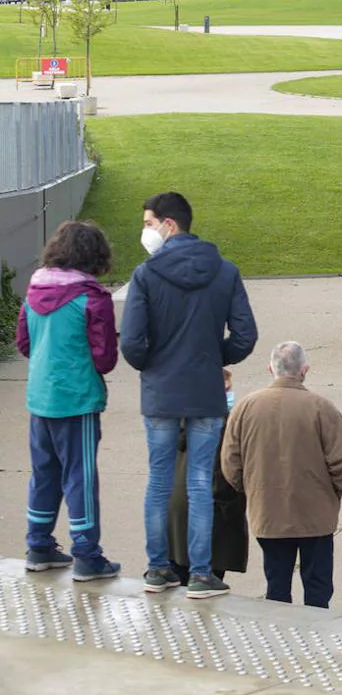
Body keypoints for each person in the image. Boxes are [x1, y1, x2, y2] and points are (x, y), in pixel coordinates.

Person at [121, 191, 257, 599]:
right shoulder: (225, 271)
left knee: (159, 481)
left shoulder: (146, 274)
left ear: (169, 225)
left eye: (148, 223)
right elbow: (245, 335)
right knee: (200, 482)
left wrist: (155, 364)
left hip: (162, 391)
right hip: (205, 391)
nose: (145, 231)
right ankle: (201, 573)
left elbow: (131, 342)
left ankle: (158, 568)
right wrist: (218, 358)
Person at [17, 221, 120, 581]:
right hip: (77, 400)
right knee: (81, 476)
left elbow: (24, 344)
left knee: (44, 473)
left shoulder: (34, 289)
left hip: (40, 397)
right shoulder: (92, 297)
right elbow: (105, 357)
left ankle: (39, 545)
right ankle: (87, 554)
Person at [222, 342, 342, 608]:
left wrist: (251, 489)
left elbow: (230, 462)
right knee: (318, 588)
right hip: (315, 516)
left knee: (277, 584)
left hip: (269, 513)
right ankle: (317, 639)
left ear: (270, 368)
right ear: (304, 370)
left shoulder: (245, 407)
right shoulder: (322, 408)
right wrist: (334, 492)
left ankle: (280, 640)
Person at [167, 369, 248, 586]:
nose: (231, 394)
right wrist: (233, 511)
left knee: (179, 584)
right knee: (205, 592)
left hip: (176, 520)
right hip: (209, 522)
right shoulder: (219, 424)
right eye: (227, 389)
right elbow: (221, 476)